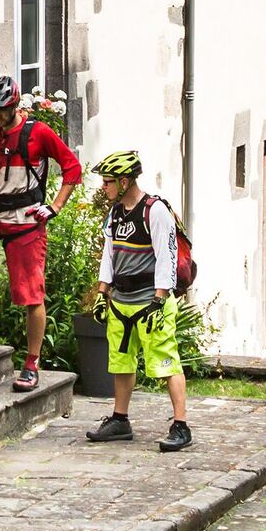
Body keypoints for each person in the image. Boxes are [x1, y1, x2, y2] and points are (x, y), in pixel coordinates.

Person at [0, 76, 82, 392]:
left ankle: (31, 363)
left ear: (14, 105)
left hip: (27, 224)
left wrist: (55, 207)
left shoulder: (38, 133)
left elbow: (72, 168)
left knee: (30, 295)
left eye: (1, 110)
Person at [83, 149, 190, 453]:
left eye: (108, 181)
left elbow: (167, 257)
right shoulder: (116, 213)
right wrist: (102, 294)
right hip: (121, 302)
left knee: (166, 361)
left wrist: (159, 300)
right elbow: (109, 255)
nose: (103, 187)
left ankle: (181, 425)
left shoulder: (154, 211)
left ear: (125, 181)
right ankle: (120, 420)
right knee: (121, 362)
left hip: (150, 302)